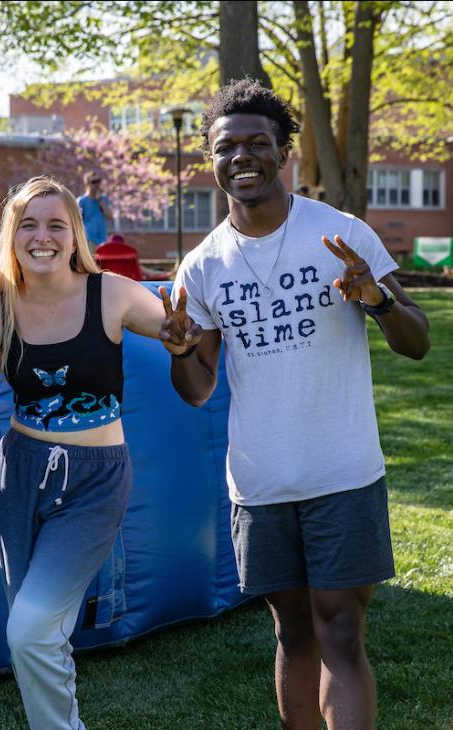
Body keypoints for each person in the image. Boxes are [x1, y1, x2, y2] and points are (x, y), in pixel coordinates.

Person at [166, 79, 430, 730]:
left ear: (284, 152)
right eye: (228, 146)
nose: (243, 156)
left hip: (342, 471)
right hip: (258, 483)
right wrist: (179, 351)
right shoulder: (200, 267)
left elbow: (417, 342)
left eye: (259, 142)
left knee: (341, 629)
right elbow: (199, 389)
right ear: (212, 158)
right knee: (293, 635)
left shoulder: (340, 234)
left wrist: (377, 299)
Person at [0, 176, 199, 730]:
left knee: (30, 629)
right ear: (12, 235)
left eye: (56, 224)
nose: (42, 236)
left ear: (75, 233)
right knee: (35, 631)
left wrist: (180, 335)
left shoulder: (111, 292)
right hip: (18, 473)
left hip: (94, 480)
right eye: (28, 224)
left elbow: (174, 331)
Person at [77, 170, 113, 248]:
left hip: (103, 240)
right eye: (93, 182)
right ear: (87, 183)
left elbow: (110, 217)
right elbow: (77, 221)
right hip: (88, 239)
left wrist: (100, 201)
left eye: (98, 181)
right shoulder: (81, 201)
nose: (96, 184)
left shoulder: (103, 199)